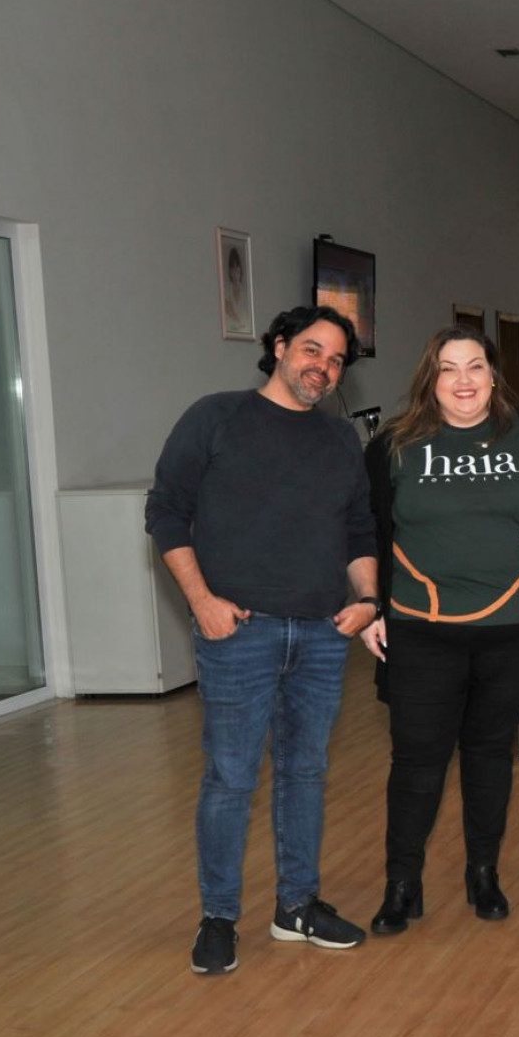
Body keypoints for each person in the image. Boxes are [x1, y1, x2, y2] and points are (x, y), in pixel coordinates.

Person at [146, 305, 378, 975]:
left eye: (336, 361)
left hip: (321, 633)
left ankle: (297, 906)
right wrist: (201, 601)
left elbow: (359, 530)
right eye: (311, 350)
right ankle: (219, 916)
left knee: (306, 771)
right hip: (238, 632)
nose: (323, 368)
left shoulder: (339, 441)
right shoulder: (215, 417)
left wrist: (365, 599)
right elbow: (165, 510)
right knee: (230, 777)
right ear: (278, 347)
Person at [356, 326, 519, 935]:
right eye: (448, 368)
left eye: (475, 366)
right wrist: (372, 607)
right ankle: (402, 883)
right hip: (421, 627)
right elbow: (368, 530)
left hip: (512, 622)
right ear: (430, 377)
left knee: (487, 754)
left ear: (493, 374)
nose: (463, 381)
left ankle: (484, 872)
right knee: (417, 760)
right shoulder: (395, 443)